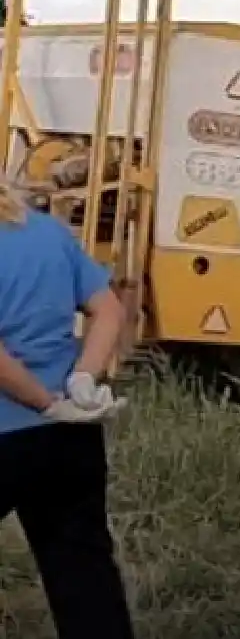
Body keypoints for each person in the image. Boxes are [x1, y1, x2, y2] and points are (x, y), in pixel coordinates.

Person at [0, 176, 135, 639]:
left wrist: (44, 403)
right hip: (69, 436)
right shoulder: (47, 231)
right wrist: (82, 381)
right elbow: (109, 310)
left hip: (11, 428)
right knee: (83, 573)